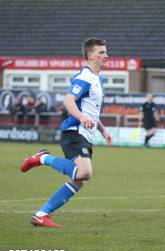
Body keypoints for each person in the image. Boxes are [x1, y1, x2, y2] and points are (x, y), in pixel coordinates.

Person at [20, 38, 113, 228]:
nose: (106, 55)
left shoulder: (97, 78)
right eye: (102, 52)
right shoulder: (85, 77)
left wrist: (103, 129)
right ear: (90, 55)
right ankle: (43, 158)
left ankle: (41, 214)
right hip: (74, 132)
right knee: (85, 173)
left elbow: (91, 111)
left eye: (106, 52)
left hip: (85, 134)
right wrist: (81, 118)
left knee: (78, 181)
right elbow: (68, 101)